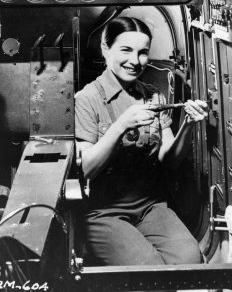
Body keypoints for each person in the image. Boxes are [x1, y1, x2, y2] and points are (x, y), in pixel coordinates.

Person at [75, 16, 208, 266]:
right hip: (104, 212)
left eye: (143, 53)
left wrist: (189, 125)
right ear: (106, 48)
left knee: (190, 260)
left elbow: (169, 160)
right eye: (126, 50)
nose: (135, 61)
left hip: (151, 206)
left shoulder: (152, 96)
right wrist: (121, 125)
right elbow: (88, 169)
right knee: (149, 268)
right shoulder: (87, 99)